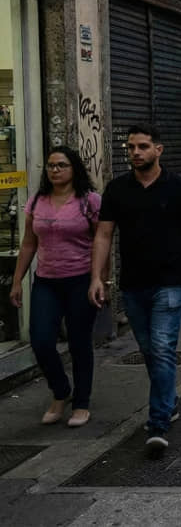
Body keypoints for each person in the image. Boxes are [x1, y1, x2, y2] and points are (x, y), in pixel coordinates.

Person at [90, 124, 181, 455]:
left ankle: (158, 423)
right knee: (149, 351)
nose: (135, 152)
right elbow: (103, 236)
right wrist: (96, 277)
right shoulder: (117, 190)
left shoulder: (180, 188)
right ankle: (169, 400)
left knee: (161, 349)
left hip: (170, 284)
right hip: (133, 286)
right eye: (130, 147)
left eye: (142, 146)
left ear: (159, 150)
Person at [10, 147, 103, 428]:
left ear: (74, 168)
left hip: (80, 280)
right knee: (40, 340)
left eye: (61, 165)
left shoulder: (89, 201)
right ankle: (61, 391)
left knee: (78, 343)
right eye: (50, 165)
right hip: (46, 282)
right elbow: (29, 243)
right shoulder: (38, 201)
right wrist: (17, 281)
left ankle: (82, 403)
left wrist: (102, 281)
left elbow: (103, 242)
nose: (55, 170)